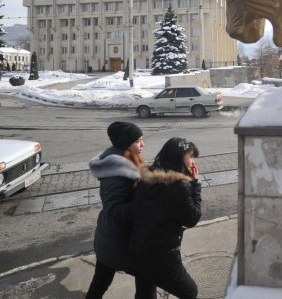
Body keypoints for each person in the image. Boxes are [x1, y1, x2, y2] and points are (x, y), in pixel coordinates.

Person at [86, 122, 156, 299]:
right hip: (120, 239)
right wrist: (148, 206)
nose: (143, 145)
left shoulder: (124, 159)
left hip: (112, 238)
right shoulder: (118, 170)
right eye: (138, 141)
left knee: (101, 280)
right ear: (126, 143)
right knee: (147, 280)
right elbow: (115, 209)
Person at [130, 137, 202, 299]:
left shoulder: (147, 175)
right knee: (189, 291)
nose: (192, 161)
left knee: (145, 290)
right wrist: (195, 184)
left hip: (138, 248)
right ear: (179, 157)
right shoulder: (179, 186)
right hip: (162, 256)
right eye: (190, 156)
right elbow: (192, 218)